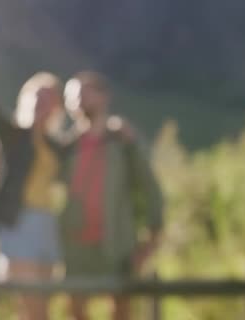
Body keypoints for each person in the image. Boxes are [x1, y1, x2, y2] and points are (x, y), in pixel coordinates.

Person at [0, 17, 65, 320]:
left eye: (47, 98)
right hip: (17, 222)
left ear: (56, 107)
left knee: (40, 307)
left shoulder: (57, 144)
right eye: (36, 96)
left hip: (47, 224)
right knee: (31, 305)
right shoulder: (12, 135)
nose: (41, 103)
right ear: (26, 99)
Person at [56, 71, 164, 320]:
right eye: (71, 96)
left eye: (83, 93)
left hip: (117, 243)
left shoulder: (124, 143)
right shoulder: (66, 148)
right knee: (76, 309)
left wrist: (151, 240)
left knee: (122, 310)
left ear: (104, 97)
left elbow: (150, 189)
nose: (77, 100)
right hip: (75, 247)